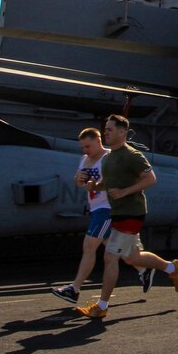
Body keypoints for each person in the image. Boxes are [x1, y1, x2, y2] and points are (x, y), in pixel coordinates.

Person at [73, 115, 178, 319]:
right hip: (115, 212)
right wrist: (95, 186)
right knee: (132, 257)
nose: (106, 132)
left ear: (122, 132)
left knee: (110, 256)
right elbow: (110, 182)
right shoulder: (110, 157)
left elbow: (150, 179)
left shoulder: (132, 155)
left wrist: (125, 192)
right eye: (105, 129)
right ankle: (170, 267)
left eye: (110, 129)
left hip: (131, 212)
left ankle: (102, 306)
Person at [50, 128, 111, 303]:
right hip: (95, 207)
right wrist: (78, 179)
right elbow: (80, 184)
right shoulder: (84, 159)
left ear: (98, 141)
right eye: (83, 147)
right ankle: (155, 268)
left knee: (89, 247)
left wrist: (96, 184)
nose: (85, 150)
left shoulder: (109, 158)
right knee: (125, 252)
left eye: (88, 146)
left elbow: (114, 183)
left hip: (107, 208)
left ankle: (74, 289)